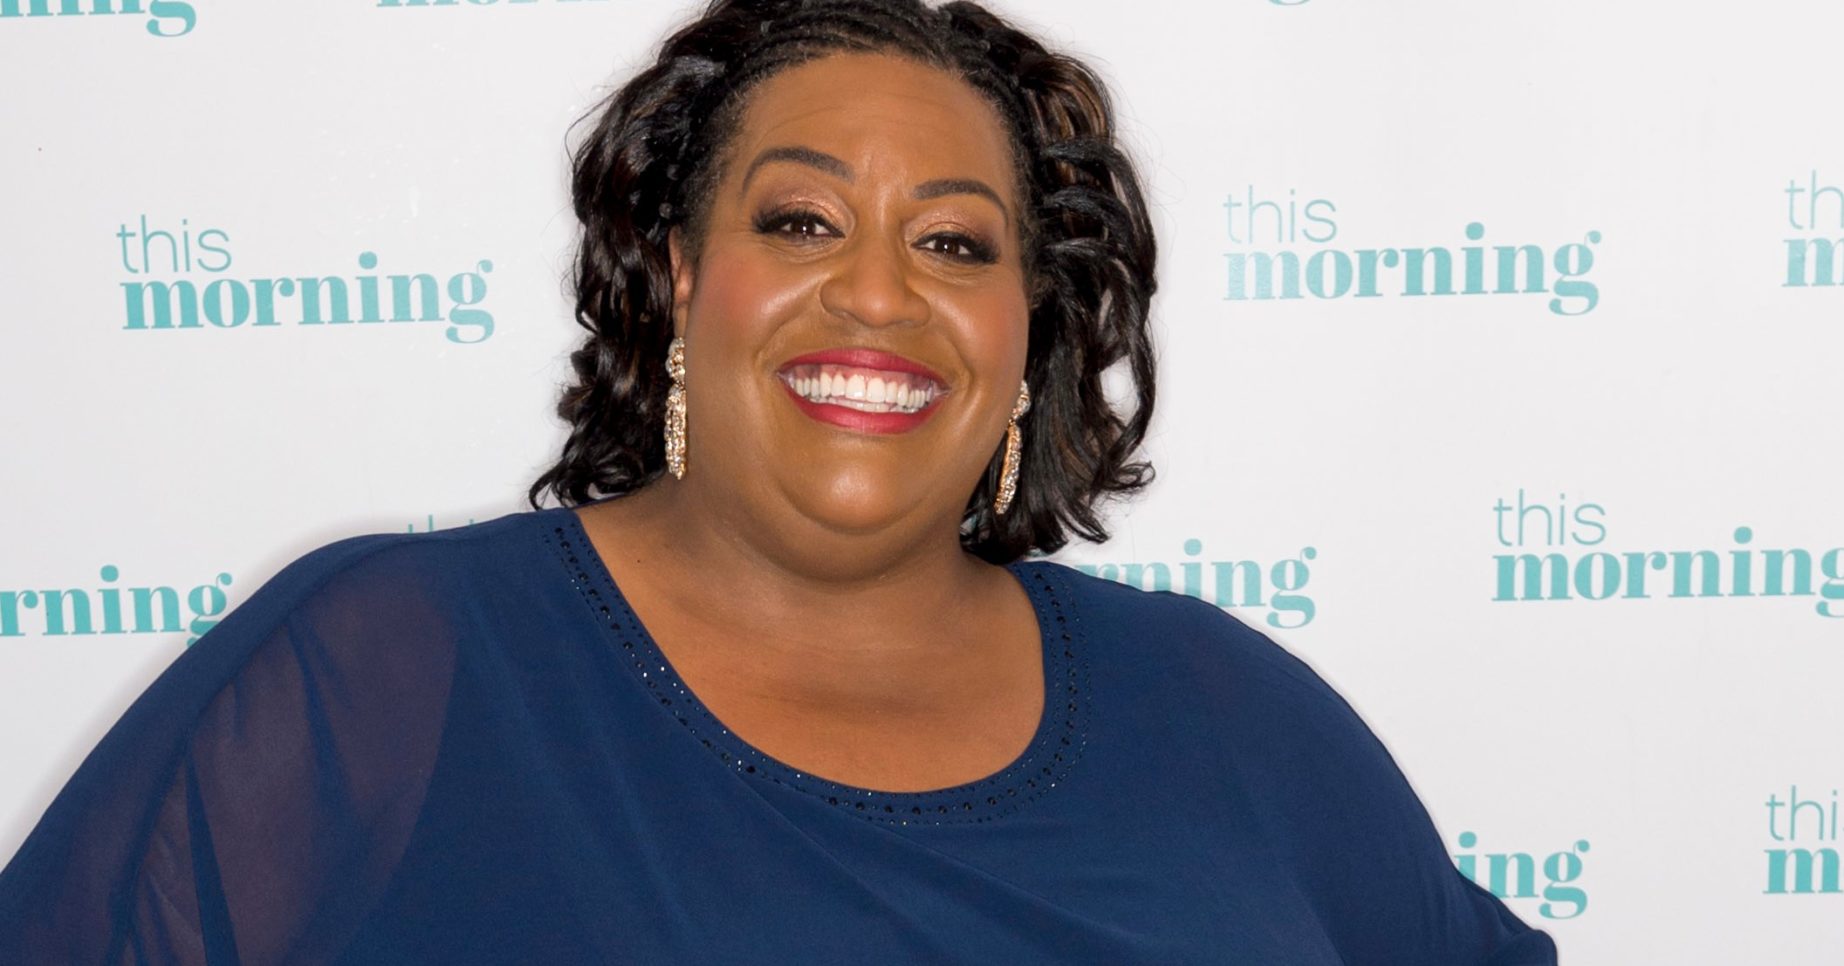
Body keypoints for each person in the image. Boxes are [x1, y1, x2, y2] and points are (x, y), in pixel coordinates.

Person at [0, 0, 1558, 962]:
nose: (877, 293)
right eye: (801, 222)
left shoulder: (1228, 711)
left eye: (955, 242)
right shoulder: (386, 666)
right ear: (680, 275)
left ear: (1028, 331)